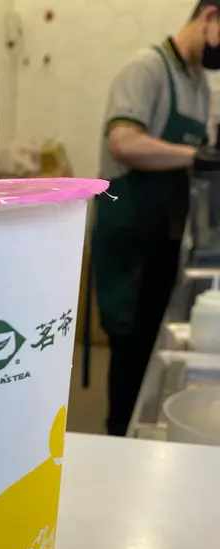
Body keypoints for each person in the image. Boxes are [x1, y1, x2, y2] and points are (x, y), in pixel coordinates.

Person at [91, 1, 220, 436]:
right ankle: (116, 440)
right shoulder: (146, 69)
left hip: (165, 241)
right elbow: (123, 142)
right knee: (130, 358)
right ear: (210, 17)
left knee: (152, 354)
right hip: (130, 243)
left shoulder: (199, 86)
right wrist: (196, 155)